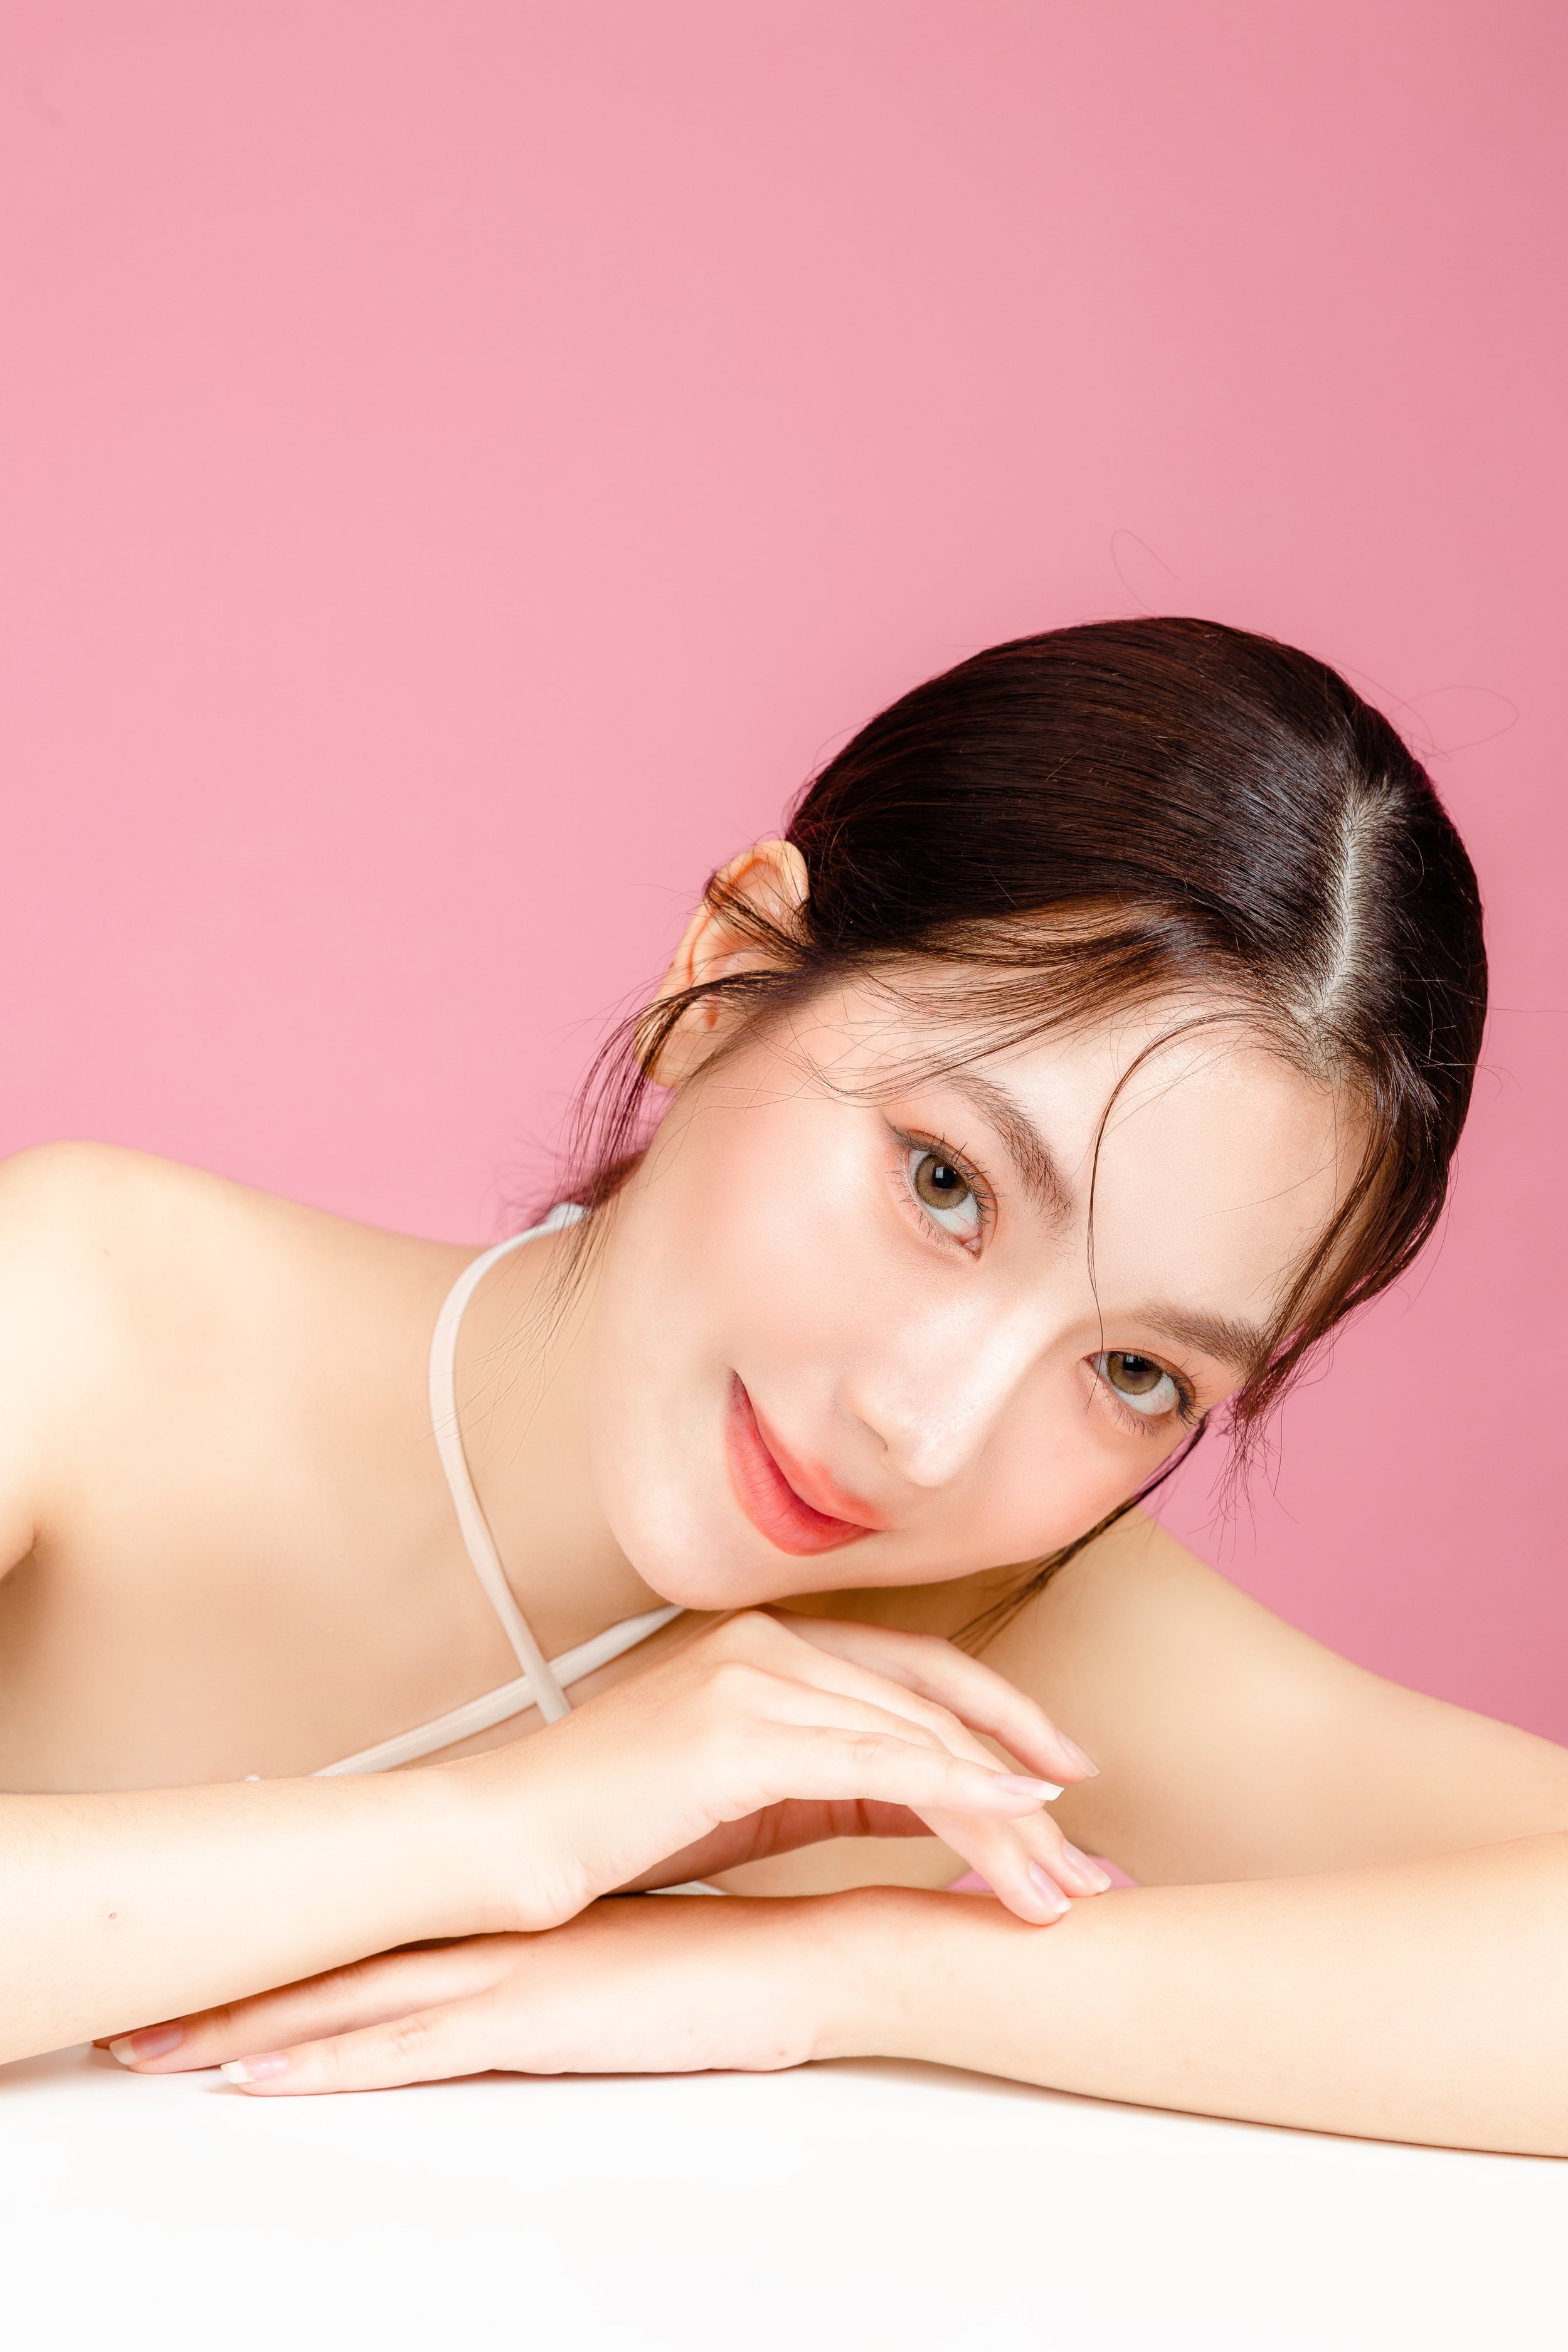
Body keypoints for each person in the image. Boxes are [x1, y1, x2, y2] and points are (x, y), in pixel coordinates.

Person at [6, 618, 1564, 2155]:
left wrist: (859, 1970)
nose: (927, 1433)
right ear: (733, 966)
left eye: (1133, 1369)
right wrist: (517, 1830)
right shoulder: (94, 1315)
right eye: (944, 1182)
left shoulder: (979, 1651)